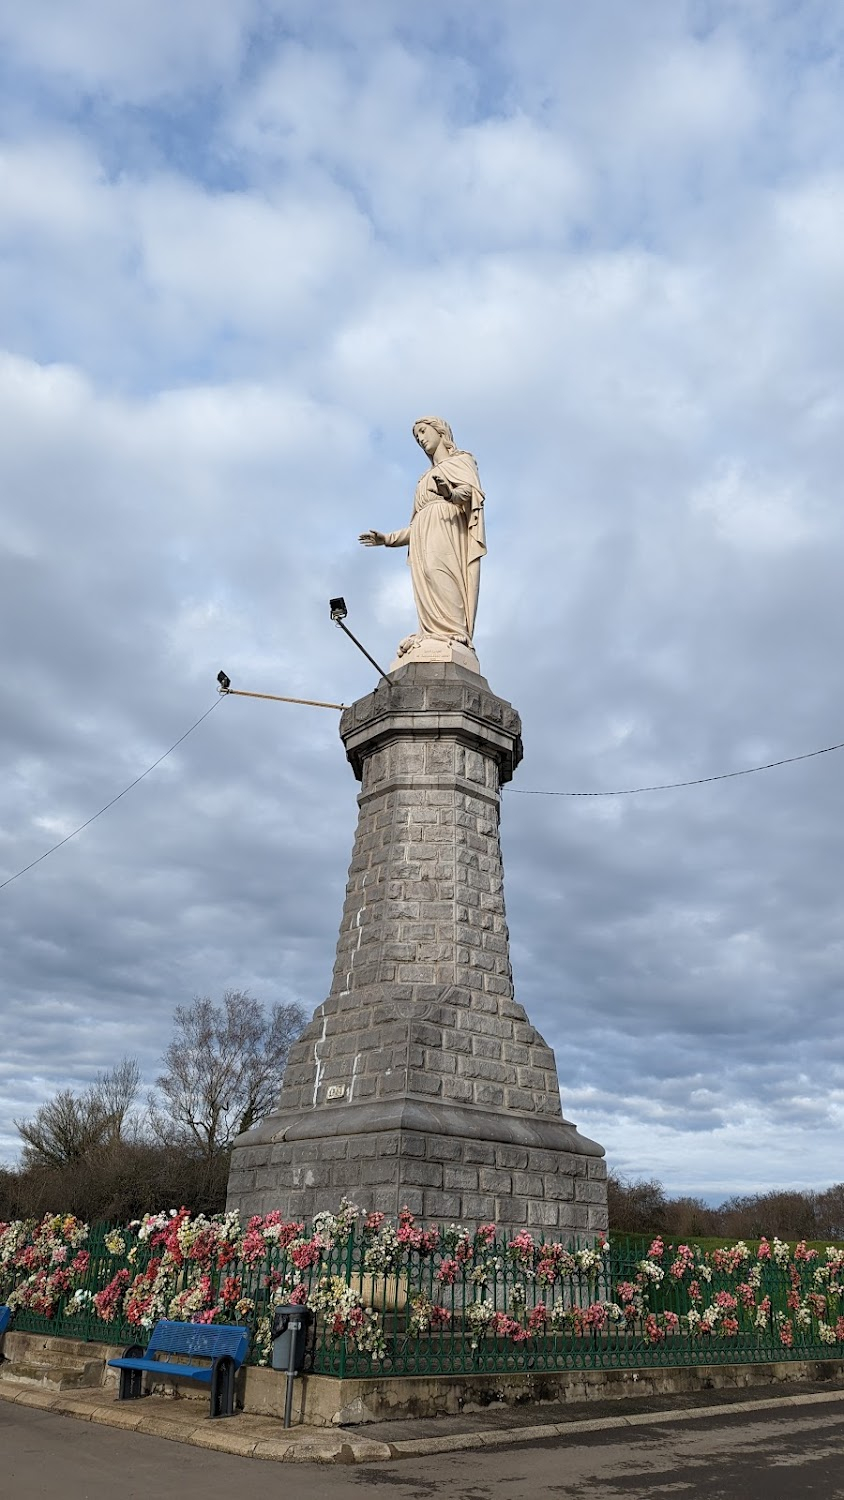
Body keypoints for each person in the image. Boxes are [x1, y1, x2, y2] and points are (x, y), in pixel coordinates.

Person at [359, 416, 486, 651]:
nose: (420, 438)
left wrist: (449, 494)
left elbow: (471, 494)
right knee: (427, 577)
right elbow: (416, 525)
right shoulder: (423, 478)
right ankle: (432, 634)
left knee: (444, 574)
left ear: (440, 432)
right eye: (417, 435)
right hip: (423, 537)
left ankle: (455, 631)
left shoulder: (462, 461)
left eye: (424, 431)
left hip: (448, 530)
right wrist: (388, 539)